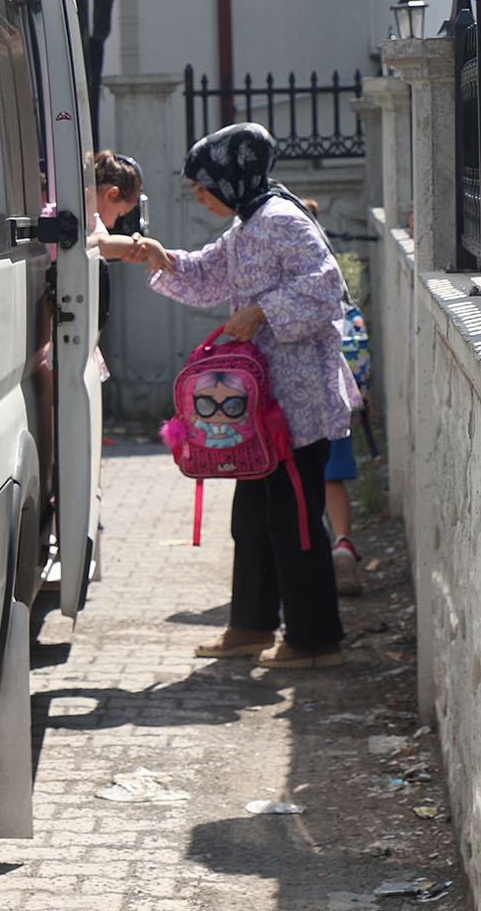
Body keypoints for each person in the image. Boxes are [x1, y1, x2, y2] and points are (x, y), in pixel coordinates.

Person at [122, 124, 361, 669]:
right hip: (262, 412)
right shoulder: (247, 225)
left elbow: (328, 287)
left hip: (299, 408)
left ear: (232, 179)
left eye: (203, 186)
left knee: (296, 519)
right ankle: (251, 626)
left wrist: (263, 310)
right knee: (253, 517)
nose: (199, 196)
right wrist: (158, 258)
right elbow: (207, 273)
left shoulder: (283, 220)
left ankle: (316, 639)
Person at [298, 197, 366, 596]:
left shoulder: (292, 270)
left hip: (305, 392)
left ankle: (315, 552)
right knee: (333, 478)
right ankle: (343, 543)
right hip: (341, 391)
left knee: (303, 480)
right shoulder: (332, 270)